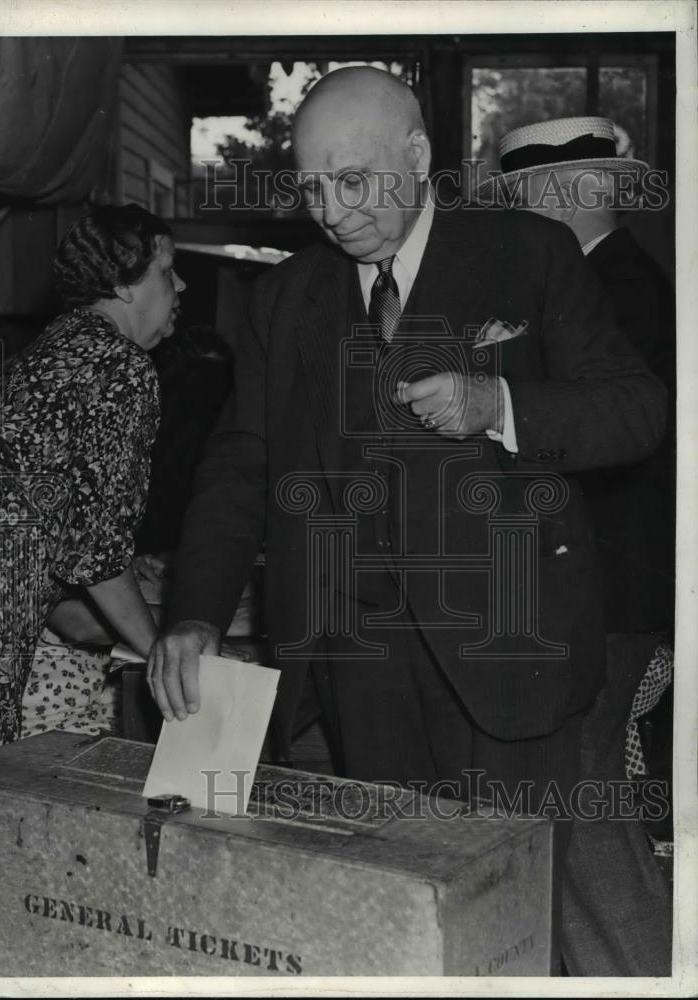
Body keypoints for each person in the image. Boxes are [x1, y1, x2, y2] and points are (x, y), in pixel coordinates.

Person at [148, 68, 666, 965]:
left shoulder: (527, 254)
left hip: (512, 657)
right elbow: (240, 465)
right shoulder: (286, 299)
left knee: (519, 920)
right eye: (312, 189)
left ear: (418, 157)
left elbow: (637, 410)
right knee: (401, 921)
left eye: (354, 182)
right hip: (361, 674)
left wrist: (499, 403)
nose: (332, 213)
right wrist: (194, 613)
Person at [477, 116, 675, 976]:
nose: (514, 221)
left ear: (569, 195)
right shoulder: (616, 282)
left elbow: (608, 450)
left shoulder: (617, 292)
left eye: (522, 200)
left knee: (580, 809)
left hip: (607, 597)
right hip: (600, 592)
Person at [0, 203, 185, 760]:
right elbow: (94, 554)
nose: (181, 283)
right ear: (124, 286)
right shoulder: (121, 368)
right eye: (167, 270)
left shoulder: (54, 349)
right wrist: (159, 652)